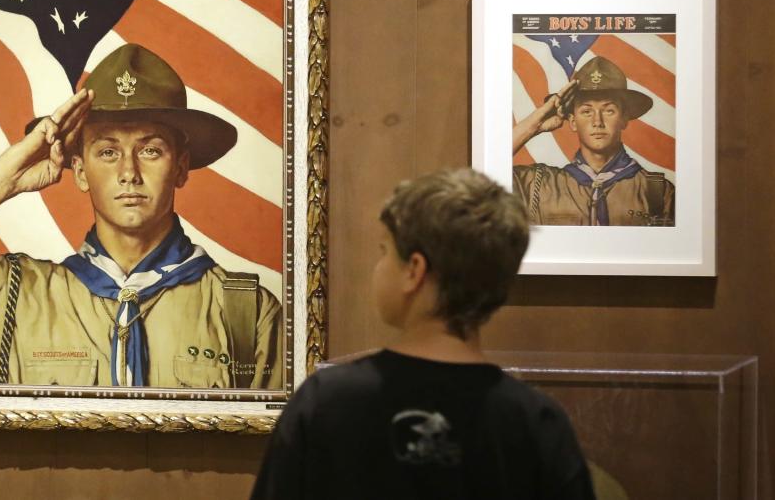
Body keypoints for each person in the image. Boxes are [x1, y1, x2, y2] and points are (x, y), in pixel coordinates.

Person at [251, 168, 595, 500]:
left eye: (384, 251)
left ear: (414, 271)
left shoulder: (326, 402)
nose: (378, 267)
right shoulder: (535, 421)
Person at [0, 43, 282, 389]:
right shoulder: (13, 295)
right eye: (108, 152)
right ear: (80, 171)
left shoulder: (246, 312)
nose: (129, 171)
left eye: (151, 150)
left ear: (181, 167)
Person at [512, 56, 675, 226]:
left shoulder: (657, 192)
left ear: (624, 119)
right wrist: (534, 125)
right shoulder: (538, 185)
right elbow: (491, 169)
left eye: (609, 110)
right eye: (586, 112)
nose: (597, 121)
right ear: (573, 121)